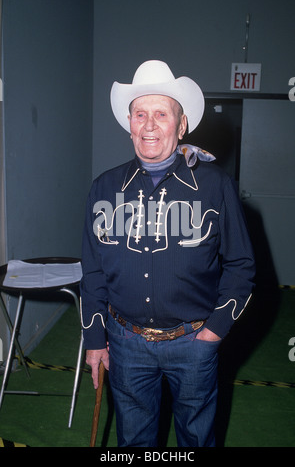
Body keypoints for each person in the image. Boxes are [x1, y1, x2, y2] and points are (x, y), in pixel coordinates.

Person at [80, 60, 255, 447]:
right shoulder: (104, 188)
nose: (149, 125)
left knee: (196, 438)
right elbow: (92, 271)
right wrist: (95, 337)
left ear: (181, 125)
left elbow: (241, 267)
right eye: (140, 114)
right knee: (134, 441)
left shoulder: (215, 186)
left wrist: (215, 331)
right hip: (125, 342)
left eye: (161, 114)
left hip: (193, 343)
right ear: (129, 123)